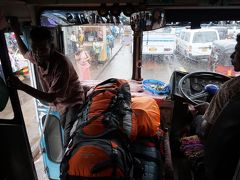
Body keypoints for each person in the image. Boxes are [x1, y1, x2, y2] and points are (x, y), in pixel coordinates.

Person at [8, 20, 87, 147]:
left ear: (51, 47)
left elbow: (51, 97)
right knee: (64, 131)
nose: (38, 53)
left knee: (69, 139)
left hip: (73, 100)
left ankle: (67, 161)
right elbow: (24, 53)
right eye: (34, 48)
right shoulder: (37, 55)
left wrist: (21, 86)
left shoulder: (61, 64)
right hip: (60, 104)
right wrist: (17, 33)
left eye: (43, 49)